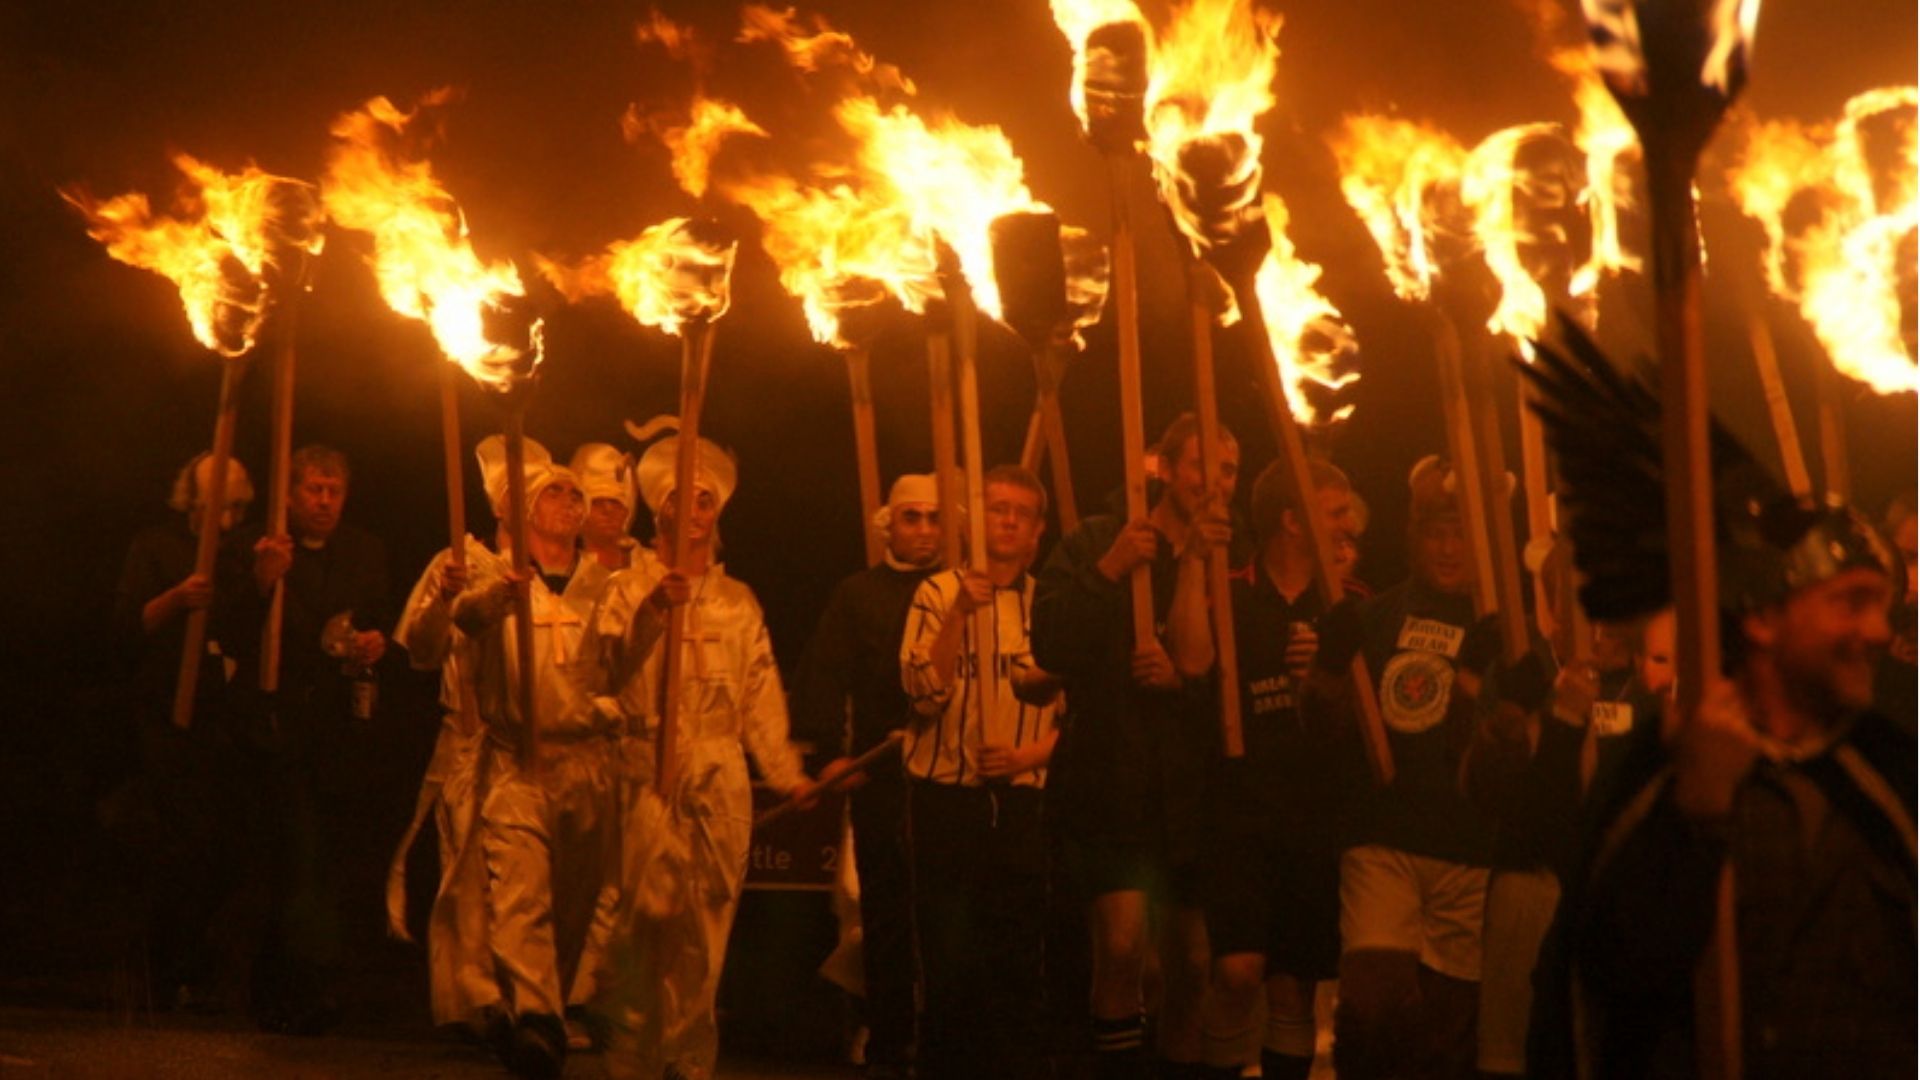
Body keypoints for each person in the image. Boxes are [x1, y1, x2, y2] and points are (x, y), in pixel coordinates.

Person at [1520, 326, 1917, 1077]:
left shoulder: (1888, 780)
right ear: (1765, 616)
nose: (1877, 628)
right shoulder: (1664, 786)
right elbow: (1611, 983)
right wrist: (1699, 817)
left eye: (1882, 604)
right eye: (1852, 603)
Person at [591, 428, 825, 1080]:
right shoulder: (623, 586)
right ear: (659, 508)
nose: (693, 513)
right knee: (644, 928)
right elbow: (604, 670)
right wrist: (649, 613)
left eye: (705, 502)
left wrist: (785, 773)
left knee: (704, 932)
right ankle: (631, 1064)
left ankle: (687, 1067)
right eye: (681, 500)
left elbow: (759, 696)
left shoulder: (737, 601)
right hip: (645, 772)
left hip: (719, 780)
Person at [1033, 413, 1242, 1080]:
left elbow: (1205, 672)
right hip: (1112, 779)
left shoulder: (1229, 561)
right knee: (1122, 947)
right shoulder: (1100, 536)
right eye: (1199, 465)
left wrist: (1181, 676)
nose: (1214, 482)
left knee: (1191, 962)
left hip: (1191, 788)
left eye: (1229, 470)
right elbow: (1052, 643)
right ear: (1164, 468)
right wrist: (1111, 568)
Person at [1168, 459, 1366, 1080]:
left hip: (1314, 813)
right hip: (1239, 810)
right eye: (1334, 512)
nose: (1349, 524)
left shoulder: (1350, 604)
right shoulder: (1231, 588)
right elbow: (1193, 660)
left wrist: (1330, 671)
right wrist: (1194, 559)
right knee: (1237, 971)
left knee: (1293, 988)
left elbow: (1374, 716)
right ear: (1291, 519)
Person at [1312, 455, 1499, 1080]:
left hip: (1467, 849)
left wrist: (1480, 681)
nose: (1449, 548)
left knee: (1450, 1033)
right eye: (1435, 533)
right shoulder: (1377, 615)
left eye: (1462, 533)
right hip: (1383, 841)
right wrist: (1329, 669)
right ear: (1414, 537)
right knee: (1371, 1011)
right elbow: (1324, 731)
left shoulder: (1507, 628)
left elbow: (1506, 758)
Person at [452, 437, 615, 1078]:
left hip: (588, 763)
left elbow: (631, 665)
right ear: (522, 509)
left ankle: (549, 1003)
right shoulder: (492, 576)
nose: (570, 502)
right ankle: (537, 1021)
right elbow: (460, 620)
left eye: (577, 493)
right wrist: (497, 599)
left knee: (574, 904)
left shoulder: (609, 583)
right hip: (518, 758)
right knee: (521, 895)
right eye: (554, 490)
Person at [217, 443, 389, 1035]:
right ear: (288, 495)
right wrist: (263, 583)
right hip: (274, 726)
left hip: (339, 730)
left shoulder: (364, 552)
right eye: (312, 489)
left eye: (333, 491)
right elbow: (229, 635)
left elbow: (376, 622)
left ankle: (316, 985)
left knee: (328, 860)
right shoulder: (255, 549)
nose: (323, 501)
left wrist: (373, 642)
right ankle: (286, 986)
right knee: (290, 857)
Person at [899, 464, 1062, 1080]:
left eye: (1022, 512)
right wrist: (961, 615)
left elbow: (1074, 717)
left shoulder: (1048, 604)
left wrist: (1027, 756)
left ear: (1037, 531)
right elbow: (921, 692)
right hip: (946, 799)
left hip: (1020, 800)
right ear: (977, 518)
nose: (1009, 519)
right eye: (998, 507)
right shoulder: (937, 593)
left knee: (1016, 954)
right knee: (947, 954)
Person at [792, 472, 947, 1079]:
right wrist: (831, 753)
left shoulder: (967, 591)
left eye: (937, 519)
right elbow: (823, 674)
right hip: (884, 777)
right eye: (913, 517)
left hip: (955, 780)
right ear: (891, 524)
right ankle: (890, 1045)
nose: (925, 530)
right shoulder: (857, 595)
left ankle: (944, 1041)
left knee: (944, 914)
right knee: (885, 915)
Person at [113, 452, 253, 1012]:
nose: (227, 509)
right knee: (179, 844)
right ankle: (162, 970)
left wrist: (261, 583)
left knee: (224, 848)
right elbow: (128, 626)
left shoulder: (241, 555)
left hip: (224, 721)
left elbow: (249, 627)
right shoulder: (155, 546)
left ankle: (199, 967)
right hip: (166, 714)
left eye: (236, 500)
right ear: (193, 498)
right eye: (217, 497)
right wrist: (178, 598)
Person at [388, 515, 506, 1035]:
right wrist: (443, 599)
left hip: (545, 747)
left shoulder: (588, 574)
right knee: (470, 875)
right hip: (471, 739)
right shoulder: (462, 561)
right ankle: (475, 1004)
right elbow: (421, 649)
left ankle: (544, 999)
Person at [573, 442, 640, 571]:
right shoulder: (569, 570)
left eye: (616, 502)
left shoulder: (654, 568)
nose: (608, 510)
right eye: (597, 503)